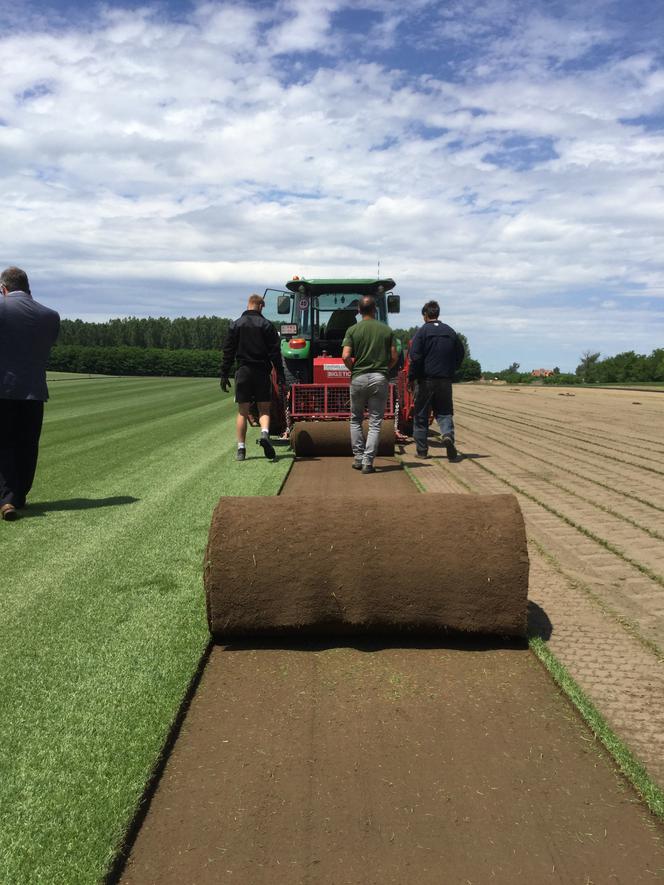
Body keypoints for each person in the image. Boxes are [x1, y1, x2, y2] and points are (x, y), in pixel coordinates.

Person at [0, 266, 60, 521]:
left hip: (3, 388)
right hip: (34, 390)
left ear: (4, 288)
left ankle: (6, 500)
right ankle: (19, 496)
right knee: (27, 445)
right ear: (28, 288)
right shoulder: (51, 316)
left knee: (4, 444)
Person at [220, 293, 285, 461]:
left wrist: (224, 373)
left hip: (243, 372)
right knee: (264, 409)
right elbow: (275, 354)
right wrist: (281, 375)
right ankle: (264, 434)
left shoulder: (235, 325)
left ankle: (241, 450)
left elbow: (228, 351)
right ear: (261, 306)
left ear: (248, 304)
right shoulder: (267, 325)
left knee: (243, 412)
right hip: (262, 372)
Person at [342, 295, 398, 474]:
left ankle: (358, 458)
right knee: (375, 422)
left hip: (358, 378)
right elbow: (394, 357)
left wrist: (353, 369)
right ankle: (368, 462)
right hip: (379, 379)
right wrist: (384, 370)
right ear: (375, 310)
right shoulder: (387, 330)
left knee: (356, 419)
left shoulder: (352, 330)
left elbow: (345, 356)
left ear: (358, 310)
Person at [408, 300, 465, 461]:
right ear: (437, 313)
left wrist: (412, 377)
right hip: (445, 380)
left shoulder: (422, 332)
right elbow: (460, 354)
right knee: (445, 413)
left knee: (421, 415)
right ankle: (447, 435)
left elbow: (415, 357)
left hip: (426, 380)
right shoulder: (450, 331)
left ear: (425, 315)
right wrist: (451, 370)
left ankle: (422, 451)